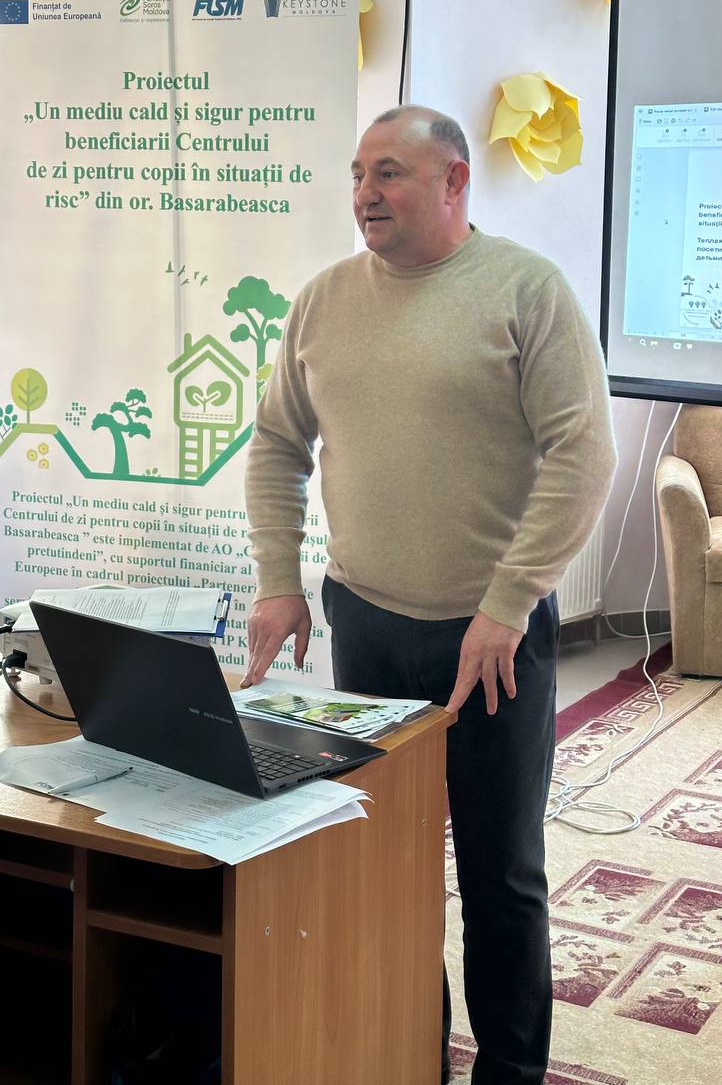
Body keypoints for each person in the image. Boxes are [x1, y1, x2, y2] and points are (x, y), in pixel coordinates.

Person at [242, 106, 617, 1084]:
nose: (365, 193)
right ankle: (410, 1054)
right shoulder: (324, 300)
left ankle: (510, 1072)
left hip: (490, 637)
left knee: (499, 870)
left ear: (454, 182)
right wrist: (280, 580)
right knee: (387, 864)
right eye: (358, 173)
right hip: (366, 622)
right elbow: (277, 444)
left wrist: (509, 601)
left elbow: (583, 456)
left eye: (390, 172)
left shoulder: (526, 290)